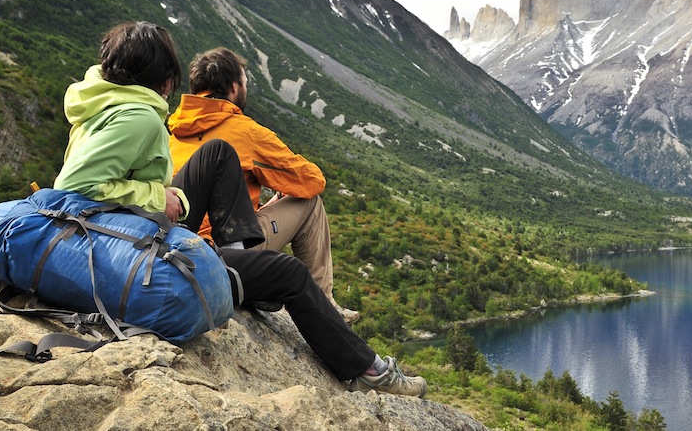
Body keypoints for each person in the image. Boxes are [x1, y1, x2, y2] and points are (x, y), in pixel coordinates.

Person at [52, 21, 425, 397]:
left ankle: (236, 257)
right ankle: (366, 370)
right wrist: (158, 197)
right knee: (292, 273)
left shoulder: (111, 109)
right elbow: (73, 186)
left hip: (127, 238)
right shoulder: (142, 116)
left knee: (217, 153)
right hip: (144, 253)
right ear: (165, 78)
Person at [167, 47, 358, 324]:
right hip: (225, 252)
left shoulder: (173, 128)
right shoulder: (245, 130)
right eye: (244, 83)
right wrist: (282, 188)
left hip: (178, 243)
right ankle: (325, 304)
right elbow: (311, 181)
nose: (245, 88)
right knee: (310, 203)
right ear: (234, 87)